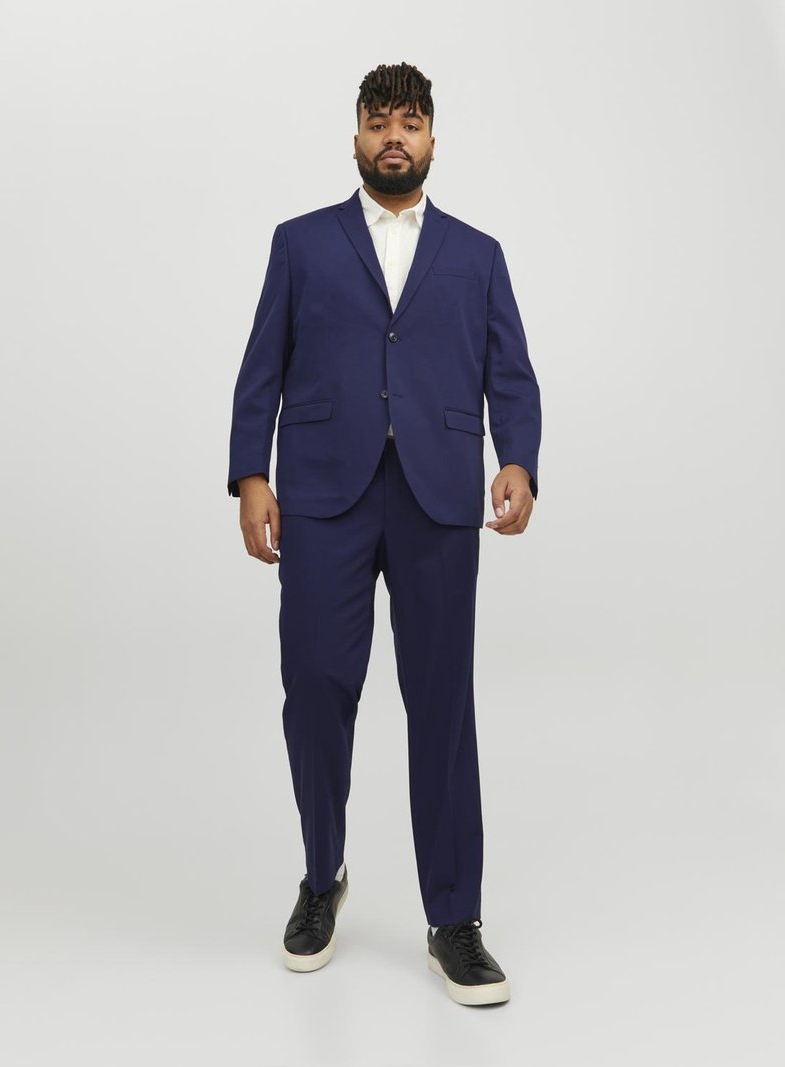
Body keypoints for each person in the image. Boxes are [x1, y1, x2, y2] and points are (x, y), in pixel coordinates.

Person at [226, 61, 541, 1006]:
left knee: (442, 703)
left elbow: (511, 374)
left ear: (433, 139)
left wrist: (519, 460)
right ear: (356, 138)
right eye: (377, 122)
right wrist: (251, 474)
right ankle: (322, 875)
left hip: (439, 497)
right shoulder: (300, 243)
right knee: (317, 689)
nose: (392, 136)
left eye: (409, 122)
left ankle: (455, 920)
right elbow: (261, 366)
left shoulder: (478, 254)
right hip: (323, 494)